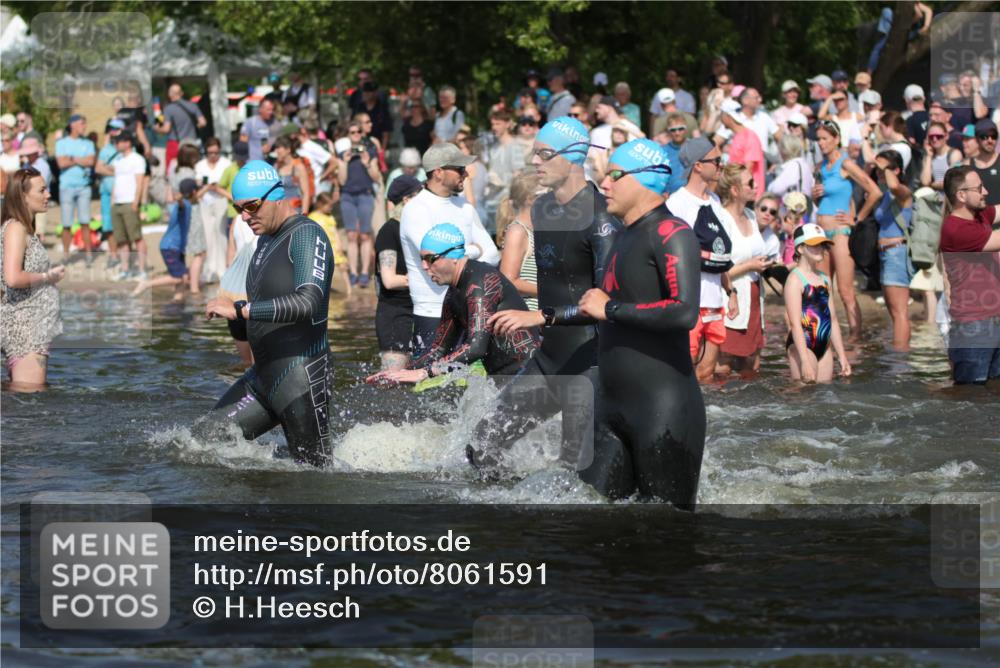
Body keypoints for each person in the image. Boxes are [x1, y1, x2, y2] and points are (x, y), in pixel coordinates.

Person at [473, 117, 621, 475]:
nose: (535, 161)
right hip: (549, 356)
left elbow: (604, 305)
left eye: (544, 153)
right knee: (481, 444)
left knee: (573, 474)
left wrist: (539, 316)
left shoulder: (601, 217)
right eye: (534, 153)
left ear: (573, 157)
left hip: (590, 363)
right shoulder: (541, 209)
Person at [568, 138, 704, 506]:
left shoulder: (672, 233)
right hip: (611, 408)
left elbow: (684, 312)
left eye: (614, 174)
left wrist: (610, 310)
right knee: (586, 522)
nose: (604, 183)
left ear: (648, 179)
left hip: (663, 410)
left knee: (664, 536)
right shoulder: (623, 236)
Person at [200, 160, 334, 465]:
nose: (245, 216)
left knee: (315, 476)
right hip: (262, 376)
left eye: (252, 206)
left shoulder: (306, 235)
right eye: (238, 209)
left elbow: (307, 302)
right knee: (201, 446)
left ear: (276, 195)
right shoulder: (262, 243)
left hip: (301, 375)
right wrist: (235, 318)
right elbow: (254, 307)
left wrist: (240, 310)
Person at [368, 223, 539, 386]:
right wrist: (401, 373)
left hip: (530, 377)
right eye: (421, 259)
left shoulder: (482, 282)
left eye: (430, 259)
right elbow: (439, 350)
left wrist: (425, 373)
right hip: (504, 382)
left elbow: (476, 347)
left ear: (454, 256)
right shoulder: (453, 294)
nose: (424, 266)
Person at [400, 143, 499, 356]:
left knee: (465, 386)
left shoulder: (465, 207)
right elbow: (436, 259)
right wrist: (474, 250)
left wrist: (463, 252)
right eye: (459, 169)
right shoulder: (416, 209)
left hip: (466, 311)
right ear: (438, 172)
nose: (466, 173)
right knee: (426, 385)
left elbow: (492, 253)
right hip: (431, 311)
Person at [666, 137, 738, 384]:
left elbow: (720, 254)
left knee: (707, 374)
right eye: (717, 161)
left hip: (715, 300)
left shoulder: (715, 202)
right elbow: (668, 256)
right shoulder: (677, 204)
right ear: (697, 165)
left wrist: (732, 291)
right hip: (690, 304)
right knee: (683, 376)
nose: (721, 166)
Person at [812, 120, 881, 341]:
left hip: (840, 233)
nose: (821, 143)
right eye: (818, 139)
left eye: (824, 138)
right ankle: (824, 334)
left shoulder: (846, 164)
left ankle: (855, 337)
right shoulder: (821, 168)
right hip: (821, 234)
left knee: (845, 291)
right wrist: (815, 199)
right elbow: (823, 203)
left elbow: (874, 190)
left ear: (835, 139)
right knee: (821, 290)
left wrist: (857, 218)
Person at [1, 168, 64, 390]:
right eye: (42, 190)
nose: (48, 195)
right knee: (31, 403)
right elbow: (12, 277)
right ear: (23, 196)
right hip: (25, 332)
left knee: (25, 400)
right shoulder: (16, 228)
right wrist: (49, 276)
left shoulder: (23, 228)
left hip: (29, 327)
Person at [938, 166, 1000, 385]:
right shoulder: (955, 229)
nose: (985, 192)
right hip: (973, 327)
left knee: (992, 395)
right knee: (968, 400)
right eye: (979, 188)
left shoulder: (979, 216)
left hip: (993, 319)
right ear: (961, 195)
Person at [717, 164, 769, 377]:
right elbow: (718, 268)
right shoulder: (721, 218)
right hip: (731, 297)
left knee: (752, 365)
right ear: (734, 190)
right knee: (723, 365)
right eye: (749, 183)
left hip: (755, 295)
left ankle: (750, 410)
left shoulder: (750, 215)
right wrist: (750, 266)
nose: (755, 186)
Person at [785, 223, 851, 383]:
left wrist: (842, 355)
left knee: (822, 395)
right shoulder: (795, 280)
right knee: (803, 394)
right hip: (803, 345)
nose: (820, 249)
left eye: (822, 245)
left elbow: (833, 319)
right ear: (800, 249)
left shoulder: (825, 278)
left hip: (824, 345)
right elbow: (794, 324)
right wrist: (805, 361)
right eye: (814, 245)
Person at [374, 175, 423, 370]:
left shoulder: (420, 228)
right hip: (396, 312)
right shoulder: (390, 230)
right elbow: (389, 280)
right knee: (393, 381)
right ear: (407, 200)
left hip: (421, 310)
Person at [872, 149, 915, 350]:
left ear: (897, 170)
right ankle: (901, 353)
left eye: (884, 169)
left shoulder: (903, 192)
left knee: (899, 312)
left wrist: (885, 169)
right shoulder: (884, 194)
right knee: (894, 311)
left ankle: (899, 359)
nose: (879, 172)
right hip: (886, 255)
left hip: (897, 254)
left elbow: (894, 184)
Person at [132, 177, 194, 302]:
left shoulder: (176, 206)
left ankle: (177, 301)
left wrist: (170, 189)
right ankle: (146, 284)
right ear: (193, 193)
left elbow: (170, 201)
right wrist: (180, 199)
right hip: (171, 247)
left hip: (177, 247)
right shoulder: (185, 205)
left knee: (183, 276)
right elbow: (181, 204)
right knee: (178, 278)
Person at [337, 120, 381, 287]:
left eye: (358, 131)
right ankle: (354, 272)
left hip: (365, 194)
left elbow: (376, 177)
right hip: (347, 196)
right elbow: (341, 181)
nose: (355, 134)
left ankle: (364, 272)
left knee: (365, 234)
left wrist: (367, 163)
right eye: (352, 132)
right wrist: (345, 162)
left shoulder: (370, 151)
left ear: (362, 134)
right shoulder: (343, 154)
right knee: (351, 235)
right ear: (348, 135)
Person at [104, 131, 148, 280]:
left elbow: (140, 182)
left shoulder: (137, 159)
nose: (116, 144)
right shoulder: (118, 160)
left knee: (137, 237)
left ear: (128, 143)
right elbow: (116, 182)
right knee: (121, 239)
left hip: (130, 202)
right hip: (117, 203)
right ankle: (125, 269)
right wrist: (112, 202)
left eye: (119, 142)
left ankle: (142, 270)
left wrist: (136, 202)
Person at [496, 169, 541, 309]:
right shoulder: (517, 231)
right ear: (530, 199)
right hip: (525, 316)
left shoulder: (537, 230)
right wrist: (552, 291)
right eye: (546, 193)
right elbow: (508, 280)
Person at [55, 114, 96, 265]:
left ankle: (88, 255)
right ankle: (66, 256)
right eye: (81, 123)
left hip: (84, 187)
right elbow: (61, 163)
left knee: (85, 221)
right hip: (66, 186)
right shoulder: (61, 143)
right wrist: (81, 161)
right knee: (67, 223)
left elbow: (91, 161)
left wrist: (72, 158)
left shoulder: (88, 143)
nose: (84, 126)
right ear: (72, 125)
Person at [194, 137, 232, 282]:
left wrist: (216, 187)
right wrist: (207, 186)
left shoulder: (226, 164)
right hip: (205, 201)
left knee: (221, 234)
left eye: (216, 152)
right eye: (210, 152)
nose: (213, 155)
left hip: (221, 201)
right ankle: (209, 270)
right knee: (208, 235)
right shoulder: (200, 165)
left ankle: (222, 270)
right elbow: (198, 182)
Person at [484, 109, 528, 233]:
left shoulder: (515, 146)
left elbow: (518, 174)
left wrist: (513, 197)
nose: (494, 127)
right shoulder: (493, 147)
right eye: (492, 124)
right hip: (492, 199)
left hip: (508, 200)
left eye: (498, 124)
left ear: (507, 124)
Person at [719, 100, 765, 199]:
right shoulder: (737, 136)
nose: (720, 118)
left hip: (749, 196)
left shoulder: (750, 137)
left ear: (727, 116)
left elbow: (749, 168)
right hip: (739, 194)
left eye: (721, 114)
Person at [155, 84, 206, 171]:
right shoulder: (193, 105)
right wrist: (193, 127)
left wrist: (157, 128)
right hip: (191, 143)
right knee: (193, 168)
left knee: (173, 169)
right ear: (181, 93)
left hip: (175, 143)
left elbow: (166, 129)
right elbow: (203, 122)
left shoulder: (169, 108)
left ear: (170, 94)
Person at [920, 121, 963, 192]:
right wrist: (928, 156)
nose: (934, 139)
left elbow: (952, 182)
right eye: (931, 137)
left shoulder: (955, 154)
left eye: (938, 136)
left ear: (946, 136)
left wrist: (932, 185)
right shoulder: (928, 156)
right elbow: (925, 182)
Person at [273, 135, 311, 214]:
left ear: (288, 150)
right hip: (279, 213)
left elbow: (306, 193)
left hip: (295, 212)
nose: (276, 151)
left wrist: (304, 215)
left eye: (278, 148)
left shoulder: (298, 167)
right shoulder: (276, 166)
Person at [971, 119, 1000, 207]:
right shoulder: (968, 164)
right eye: (984, 137)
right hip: (979, 219)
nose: (990, 140)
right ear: (976, 139)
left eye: (993, 136)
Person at [240, 98, 279, 163]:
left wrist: (270, 146)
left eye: (272, 110)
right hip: (252, 162)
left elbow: (279, 142)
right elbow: (242, 143)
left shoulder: (276, 124)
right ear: (260, 109)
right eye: (268, 110)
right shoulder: (250, 122)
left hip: (270, 163)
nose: (271, 112)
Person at [659, 113, 689, 195]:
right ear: (668, 132)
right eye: (673, 130)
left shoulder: (696, 148)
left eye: (680, 129)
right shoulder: (662, 152)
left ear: (686, 129)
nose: (677, 133)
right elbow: (660, 176)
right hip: (670, 196)